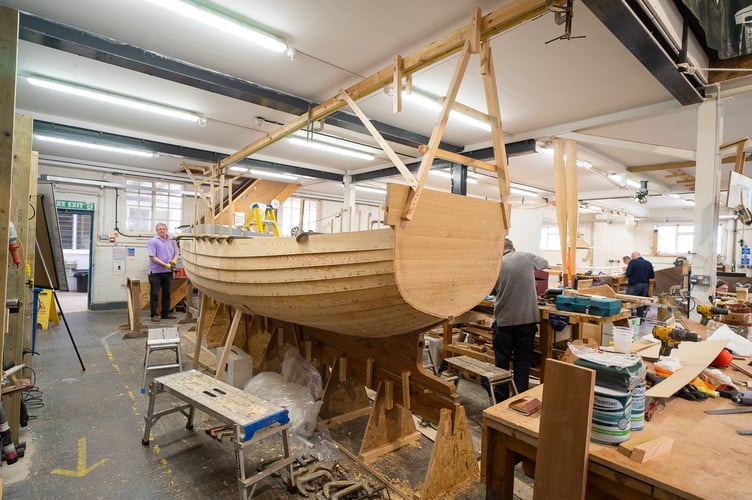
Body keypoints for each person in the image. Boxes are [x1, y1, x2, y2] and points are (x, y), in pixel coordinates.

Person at [492, 238, 549, 403]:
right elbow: (545, 263)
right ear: (513, 249)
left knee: (501, 361)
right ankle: (520, 398)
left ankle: (500, 401)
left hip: (504, 320)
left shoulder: (496, 265)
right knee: (522, 359)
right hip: (527, 319)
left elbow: (494, 291)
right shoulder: (525, 256)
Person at [147, 223, 180, 322]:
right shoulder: (153, 241)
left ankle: (165, 314)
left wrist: (174, 260)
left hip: (168, 272)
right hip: (156, 273)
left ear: (167, 229)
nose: (162, 230)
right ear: (156, 231)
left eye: (164, 229)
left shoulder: (172, 241)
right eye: (159, 229)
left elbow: (177, 252)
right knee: (155, 294)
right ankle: (154, 315)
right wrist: (165, 264)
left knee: (167, 294)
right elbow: (152, 257)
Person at [625, 251, 654, 317]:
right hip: (645, 285)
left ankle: (629, 317)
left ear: (633, 256)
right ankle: (640, 319)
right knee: (641, 302)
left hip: (635, 285)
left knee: (629, 300)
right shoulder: (648, 263)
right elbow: (652, 276)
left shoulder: (633, 262)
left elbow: (628, 274)